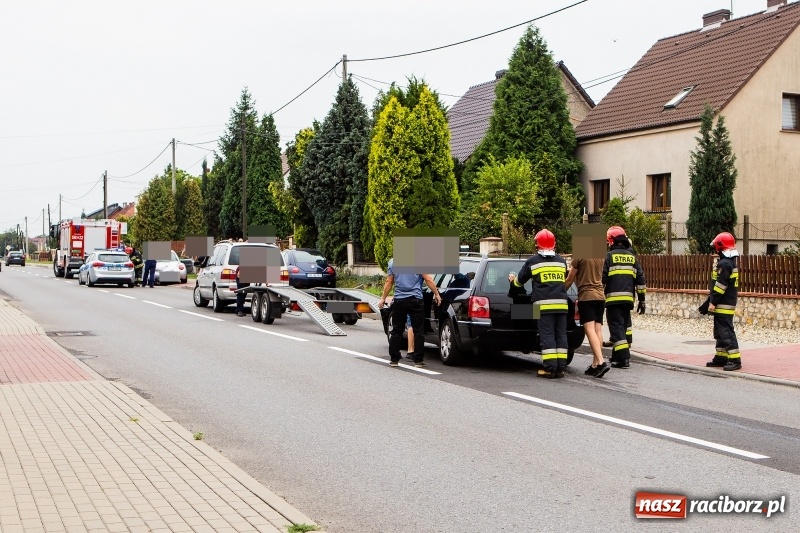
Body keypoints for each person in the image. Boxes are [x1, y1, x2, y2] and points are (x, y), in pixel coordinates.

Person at [508, 229, 569, 379]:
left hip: (542, 307)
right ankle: (560, 368)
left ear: (537, 245)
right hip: (562, 305)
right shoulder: (561, 261)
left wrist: (512, 280)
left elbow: (519, 282)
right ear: (554, 245)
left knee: (547, 335)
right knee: (560, 335)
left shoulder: (533, 262)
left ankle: (549, 369)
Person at [377, 258, 442, 368]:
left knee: (397, 330)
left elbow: (389, 281)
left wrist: (383, 298)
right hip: (416, 300)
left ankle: (394, 359)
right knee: (418, 330)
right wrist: (436, 294)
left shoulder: (393, 262)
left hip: (399, 300)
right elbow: (428, 279)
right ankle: (418, 360)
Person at [602, 226, 646, 369]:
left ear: (612, 241)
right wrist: (642, 300)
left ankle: (624, 359)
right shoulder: (632, 257)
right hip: (628, 300)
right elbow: (640, 279)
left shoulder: (609, 257)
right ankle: (616, 356)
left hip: (613, 300)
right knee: (621, 327)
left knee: (616, 328)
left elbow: (602, 279)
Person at [565, 255, 610, 378]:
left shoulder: (579, 257)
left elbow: (570, 279)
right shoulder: (601, 257)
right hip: (600, 296)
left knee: (589, 330)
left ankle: (601, 362)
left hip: (587, 296)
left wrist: (561, 292)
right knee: (598, 330)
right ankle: (595, 365)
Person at [703, 232, 742, 371]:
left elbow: (720, 287)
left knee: (726, 332)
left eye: (716, 247)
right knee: (720, 332)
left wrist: (712, 302)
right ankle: (721, 357)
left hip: (723, 304)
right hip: (724, 303)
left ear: (720, 247)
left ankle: (735, 359)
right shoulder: (729, 263)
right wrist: (710, 301)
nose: (715, 250)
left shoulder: (724, 264)